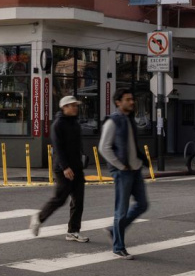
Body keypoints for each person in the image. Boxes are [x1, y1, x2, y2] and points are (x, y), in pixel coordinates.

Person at [30, 96, 89, 242]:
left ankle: (73, 231)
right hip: (63, 169)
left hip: (77, 167)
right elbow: (58, 148)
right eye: (72, 105)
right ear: (64, 107)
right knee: (60, 199)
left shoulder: (75, 123)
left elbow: (78, 145)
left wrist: (82, 158)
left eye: (76, 105)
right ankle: (39, 217)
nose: (75, 108)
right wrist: (65, 167)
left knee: (78, 201)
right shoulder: (58, 125)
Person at [98, 88, 149, 259]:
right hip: (123, 172)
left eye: (132, 99)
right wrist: (119, 165)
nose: (131, 102)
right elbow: (103, 148)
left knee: (142, 204)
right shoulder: (113, 121)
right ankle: (118, 247)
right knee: (121, 210)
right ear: (118, 102)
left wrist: (140, 161)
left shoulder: (129, 119)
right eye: (127, 99)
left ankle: (113, 231)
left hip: (135, 169)